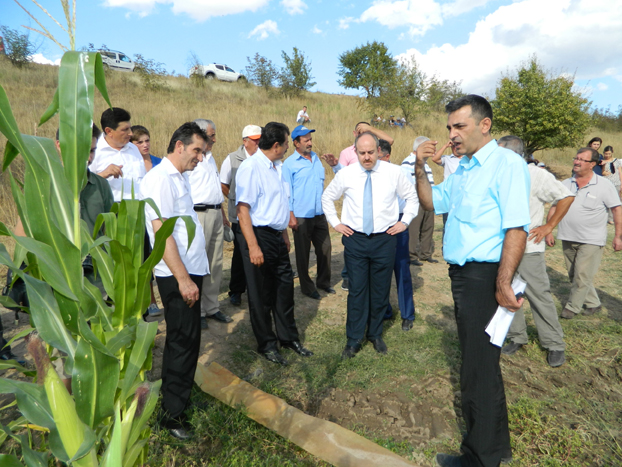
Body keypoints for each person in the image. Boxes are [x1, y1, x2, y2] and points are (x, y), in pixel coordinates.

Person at [414, 95, 530, 467]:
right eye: (449, 127)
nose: (452, 134)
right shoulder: (462, 168)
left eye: (459, 126)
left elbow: (516, 227)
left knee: (478, 370)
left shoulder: (506, 165)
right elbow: (431, 202)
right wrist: (419, 165)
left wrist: (503, 282)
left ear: (484, 125)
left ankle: (478, 459)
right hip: (462, 275)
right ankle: (493, 450)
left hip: (486, 276)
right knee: (480, 366)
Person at [139, 122, 210, 440]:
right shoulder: (160, 180)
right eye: (197, 150)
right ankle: (173, 416)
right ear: (179, 146)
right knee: (182, 341)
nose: (200, 157)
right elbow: (161, 232)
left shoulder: (178, 177)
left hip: (188, 271)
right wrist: (183, 279)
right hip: (177, 275)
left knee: (185, 340)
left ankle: (176, 401)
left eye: (203, 152)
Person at [322, 132, 418, 359]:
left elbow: (412, 198)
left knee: (380, 289)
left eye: (371, 152)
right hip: (355, 240)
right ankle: (354, 339)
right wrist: (336, 223)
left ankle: (375, 334)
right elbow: (327, 198)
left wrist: (404, 222)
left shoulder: (394, 173)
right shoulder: (346, 174)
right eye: (362, 153)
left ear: (379, 151)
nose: (367, 157)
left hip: (384, 239)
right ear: (355, 152)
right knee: (357, 290)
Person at [236, 122, 313, 366]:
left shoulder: (277, 167)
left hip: (277, 235)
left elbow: (279, 202)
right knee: (261, 294)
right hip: (259, 236)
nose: (289, 146)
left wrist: (284, 234)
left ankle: (288, 338)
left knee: (284, 289)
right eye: (287, 143)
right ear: (277, 145)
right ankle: (267, 344)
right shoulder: (251, 168)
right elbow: (243, 210)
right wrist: (253, 246)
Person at [497, 135, 574, 368]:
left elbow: (566, 196)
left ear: (514, 153)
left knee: (539, 296)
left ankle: (554, 344)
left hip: (528, 248)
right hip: (501, 249)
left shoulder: (536, 174)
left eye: (500, 152)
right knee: (508, 294)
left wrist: (549, 226)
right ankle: (517, 336)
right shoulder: (499, 175)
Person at [552, 147, 622, 319]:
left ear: (592, 164)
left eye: (582, 160)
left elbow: (616, 209)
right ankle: (593, 303)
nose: (577, 162)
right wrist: (548, 230)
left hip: (591, 239)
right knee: (574, 275)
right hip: (567, 236)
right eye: (576, 158)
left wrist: (618, 236)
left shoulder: (604, 185)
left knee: (582, 276)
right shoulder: (565, 184)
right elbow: (554, 206)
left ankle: (572, 308)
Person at [337, 122, 394, 290]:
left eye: (365, 129)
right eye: (360, 130)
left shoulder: (377, 149)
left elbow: (390, 140)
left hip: (376, 202)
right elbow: (340, 176)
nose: (366, 156)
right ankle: (349, 276)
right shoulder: (347, 153)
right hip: (356, 203)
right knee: (353, 242)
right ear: (354, 132)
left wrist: (370, 130)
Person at [187, 119, 232, 329]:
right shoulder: (191, 159)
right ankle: (198, 311)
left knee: (215, 262)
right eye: (212, 135)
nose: (215, 138)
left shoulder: (211, 158)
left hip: (215, 212)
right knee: (199, 263)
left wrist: (222, 215)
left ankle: (212, 307)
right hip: (199, 214)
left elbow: (214, 188)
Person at [282, 125, 335, 300]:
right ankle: (306, 287)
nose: (310, 143)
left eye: (310, 139)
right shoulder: (289, 164)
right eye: (306, 140)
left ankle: (323, 282)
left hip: (319, 213)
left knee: (325, 248)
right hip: (301, 216)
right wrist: (290, 215)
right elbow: (286, 192)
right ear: (296, 143)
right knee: (303, 253)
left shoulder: (316, 159)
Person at [377, 140, 416, 331]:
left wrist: (404, 222)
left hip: (397, 225)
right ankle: (385, 310)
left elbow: (411, 198)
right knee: (381, 271)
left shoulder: (399, 173)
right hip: (379, 226)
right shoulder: (368, 173)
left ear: (385, 155)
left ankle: (407, 314)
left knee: (401, 270)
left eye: (376, 156)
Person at [220, 125, 262, 306]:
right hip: (239, 216)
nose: (258, 142)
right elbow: (223, 184)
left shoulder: (264, 158)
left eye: (260, 138)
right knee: (240, 253)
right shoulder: (232, 159)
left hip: (259, 215)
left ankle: (256, 289)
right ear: (245, 141)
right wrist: (236, 199)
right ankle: (236, 290)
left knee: (258, 250)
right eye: (255, 140)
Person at [130, 124, 162, 318]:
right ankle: (150, 301)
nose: (145, 145)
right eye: (139, 142)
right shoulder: (132, 164)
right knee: (144, 260)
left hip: (157, 217)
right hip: (138, 218)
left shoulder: (159, 162)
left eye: (147, 140)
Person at [90, 107, 146, 202]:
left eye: (130, 128)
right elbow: (84, 186)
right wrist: (103, 174)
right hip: (111, 212)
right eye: (125, 130)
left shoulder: (134, 149)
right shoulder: (94, 151)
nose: (131, 134)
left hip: (138, 208)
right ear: (109, 131)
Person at [402, 137, 438, 266]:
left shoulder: (425, 164)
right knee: (414, 229)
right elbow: (406, 184)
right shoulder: (408, 163)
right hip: (416, 201)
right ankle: (411, 255)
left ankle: (425, 254)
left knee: (428, 227)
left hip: (428, 200)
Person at [601, 145, 622, 223]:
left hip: (616, 182)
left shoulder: (617, 161)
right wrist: (605, 172)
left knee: (616, 200)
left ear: (612, 153)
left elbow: (620, 172)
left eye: (609, 154)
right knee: (607, 200)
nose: (607, 155)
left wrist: (621, 183)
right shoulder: (602, 161)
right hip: (607, 183)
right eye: (606, 153)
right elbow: (602, 172)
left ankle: (614, 218)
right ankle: (607, 218)